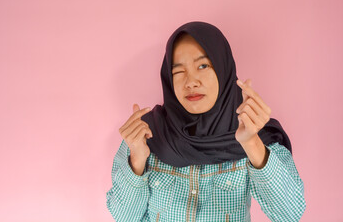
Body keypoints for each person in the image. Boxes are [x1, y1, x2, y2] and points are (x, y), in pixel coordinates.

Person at [106, 21, 306, 222]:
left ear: (223, 69)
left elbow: (290, 214)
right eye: (178, 71)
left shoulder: (253, 131)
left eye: (203, 65)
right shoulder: (146, 134)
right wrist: (138, 159)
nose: (191, 81)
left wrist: (251, 142)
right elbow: (125, 217)